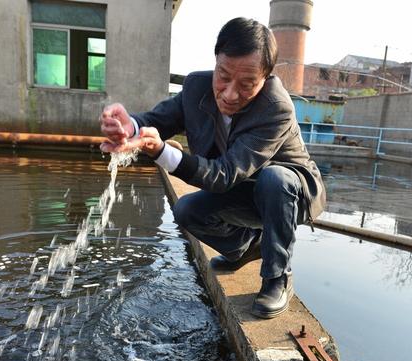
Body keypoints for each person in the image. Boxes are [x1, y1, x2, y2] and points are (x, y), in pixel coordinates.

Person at [100, 17, 325, 319]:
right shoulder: (196, 86)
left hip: (290, 192)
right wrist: (131, 126)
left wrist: (160, 151)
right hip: (246, 188)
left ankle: (277, 277)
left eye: (247, 84)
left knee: (275, 178)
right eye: (224, 76)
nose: (230, 94)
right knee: (187, 212)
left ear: (266, 77)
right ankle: (246, 248)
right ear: (216, 61)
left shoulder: (276, 108)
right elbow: (161, 118)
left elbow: (223, 175)